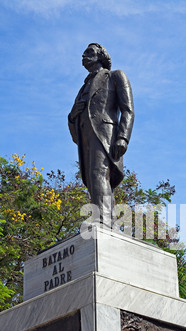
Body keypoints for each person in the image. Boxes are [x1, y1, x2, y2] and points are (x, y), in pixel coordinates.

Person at [68, 43, 135, 227]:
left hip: (105, 134)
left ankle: (102, 221)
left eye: (89, 52)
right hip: (85, 137)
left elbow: (128, 110)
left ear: (101, 56)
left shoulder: (115, 76)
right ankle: (107, 219)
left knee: (99, 173)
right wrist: (73, 114)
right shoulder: (83, 87)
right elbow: (72, 118)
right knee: (92, 178)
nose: (84, 55)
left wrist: (123, 137)